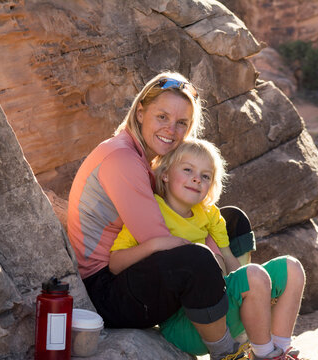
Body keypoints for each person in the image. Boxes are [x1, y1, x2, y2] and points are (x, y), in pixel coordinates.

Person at [68, 71, 247, 360]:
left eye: (182, 123)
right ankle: (226, 350)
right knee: (197, 260)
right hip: (104, 292)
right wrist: (215, 262)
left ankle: (237, 305)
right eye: (162, 117)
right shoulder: (122, 159)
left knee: (230, 223)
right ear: (140, 112)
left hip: (132, 274)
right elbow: (160, 240)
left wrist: (221, 257)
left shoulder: (142, 158)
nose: (171, 130)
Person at [109, 139, 306, 360]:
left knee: (292, 268)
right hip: (183, 325)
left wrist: (256, 296)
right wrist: (155, 244)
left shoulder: (209, 214)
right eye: (187, 170)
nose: (197, 179)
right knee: (254, 275)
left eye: (206, 176)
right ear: (165, 174)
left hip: (216, 305)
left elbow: (231, 264)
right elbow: (115, 264)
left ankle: (281, 349)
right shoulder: (152, 211)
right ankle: (265, 355)